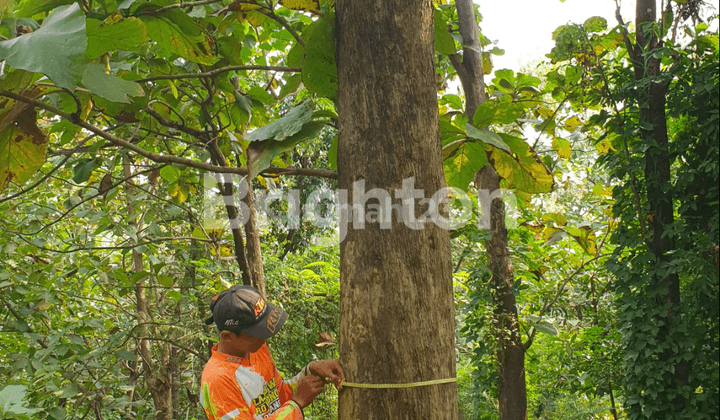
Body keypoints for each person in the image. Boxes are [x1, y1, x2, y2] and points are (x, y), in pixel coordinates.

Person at [200, 285, 345, 420]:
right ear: (227, 336)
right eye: (254, 334)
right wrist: (297, 404)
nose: (263, 339)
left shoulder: (255, 349)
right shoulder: (217, 381)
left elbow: (278, 397)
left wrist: (310, 371)